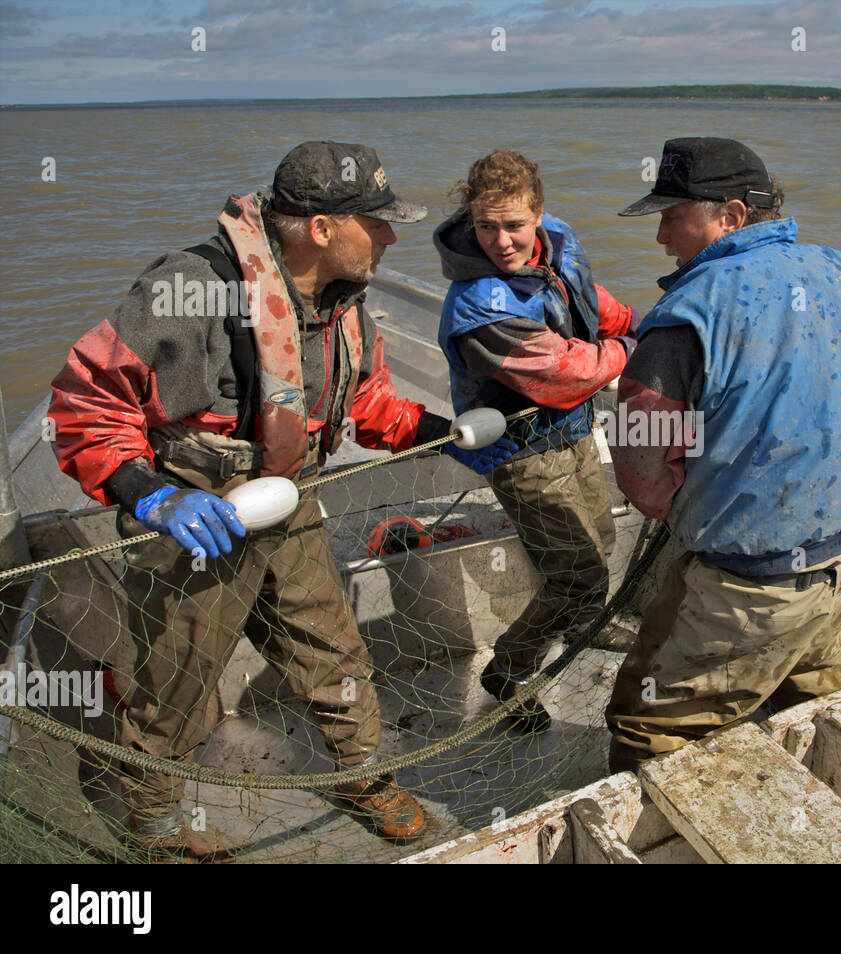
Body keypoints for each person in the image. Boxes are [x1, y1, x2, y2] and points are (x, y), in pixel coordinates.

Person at [48, 141, 515, 859]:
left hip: (288, 501)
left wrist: (441, 435)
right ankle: (155, 828)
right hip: (198, 517)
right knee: (176, 683)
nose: (391, 237)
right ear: (322, 229)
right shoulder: (192, 287)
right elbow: (84, 404)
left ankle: (362, 776)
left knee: (334, 652)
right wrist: (150, 496)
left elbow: (365, 405)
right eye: (377, 223)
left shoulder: (343, 301)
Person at [605, 137, 841, 772]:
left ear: (732, 216)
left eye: (672, 215)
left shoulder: (684, 315)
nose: (661, 235)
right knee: (814, 712)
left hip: (751, 584)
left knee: (649, 726)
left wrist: (696, 495)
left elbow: (642, 474)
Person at [433, 149, 636, 732]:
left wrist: (629, 322)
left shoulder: (557, 242)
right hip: (521, 448)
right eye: (486, 226)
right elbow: (563, 372)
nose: (501, 241)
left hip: (573, 428)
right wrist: (632, 351)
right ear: (470, 221)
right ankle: (509, 672)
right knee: (574, 574)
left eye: (514, 224)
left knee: (600, 541)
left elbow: (583, 296)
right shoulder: (479, 307)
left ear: (540, 215)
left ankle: (583, 625)